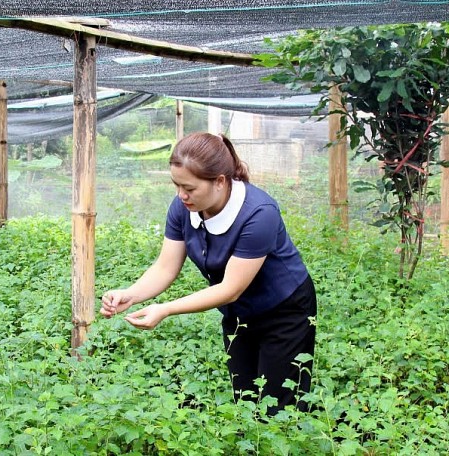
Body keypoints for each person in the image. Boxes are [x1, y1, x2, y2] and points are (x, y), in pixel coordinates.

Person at [100, 132, 317, 414]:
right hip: (238, 313)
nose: (181, 195)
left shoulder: (259, 213)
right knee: (246, 399)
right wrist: (131, 294)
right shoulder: (184, 208)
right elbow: (165, 267)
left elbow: (230, 289)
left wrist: (165, 309)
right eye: (177, 185)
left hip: (285, 310)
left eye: (189, 187)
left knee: (279, 406)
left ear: (220, 182)